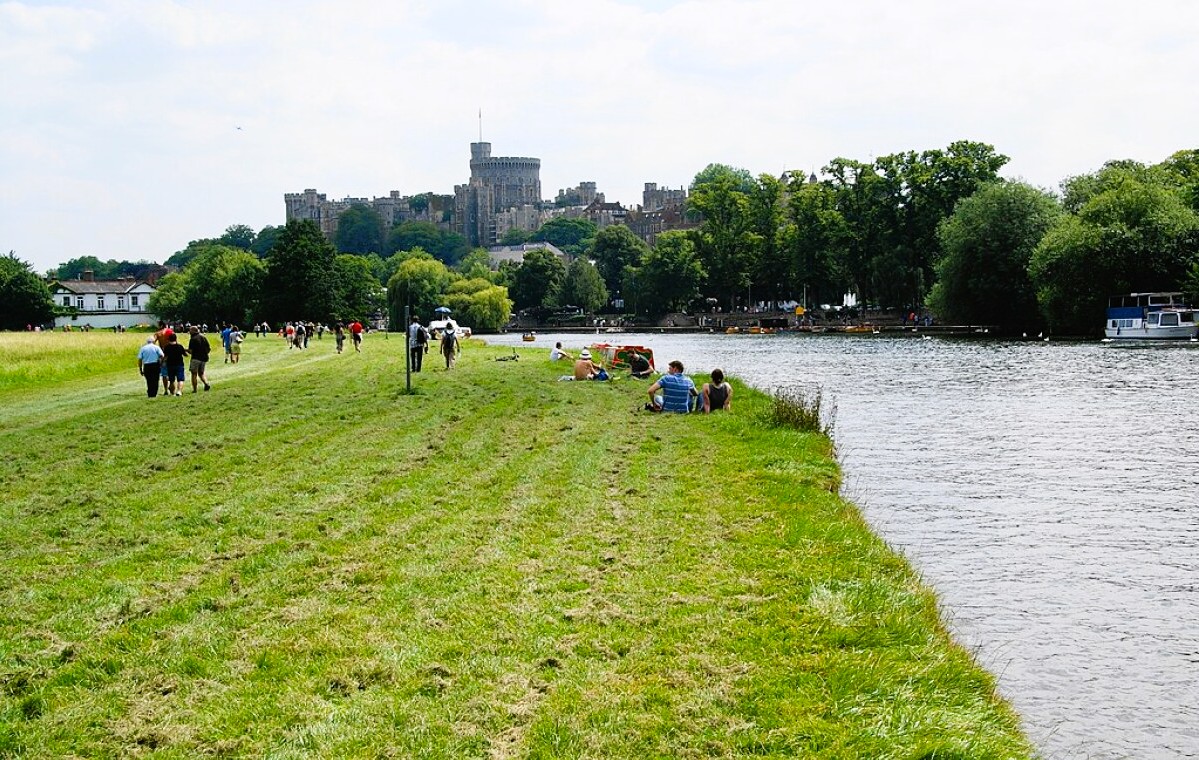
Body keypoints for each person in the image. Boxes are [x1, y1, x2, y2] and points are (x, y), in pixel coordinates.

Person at [188, 325, 213, 392]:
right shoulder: (203, 337)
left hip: (195, 358)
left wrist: (185, 350)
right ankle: (206, 383)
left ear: (194, 331)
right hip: (204, 358)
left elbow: (190, 351)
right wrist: (204, 353)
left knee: (194, 374)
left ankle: (195, 389)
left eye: (190, 330)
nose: (189, 331)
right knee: (201, 373)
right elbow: (209, 348)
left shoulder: (193, 339)